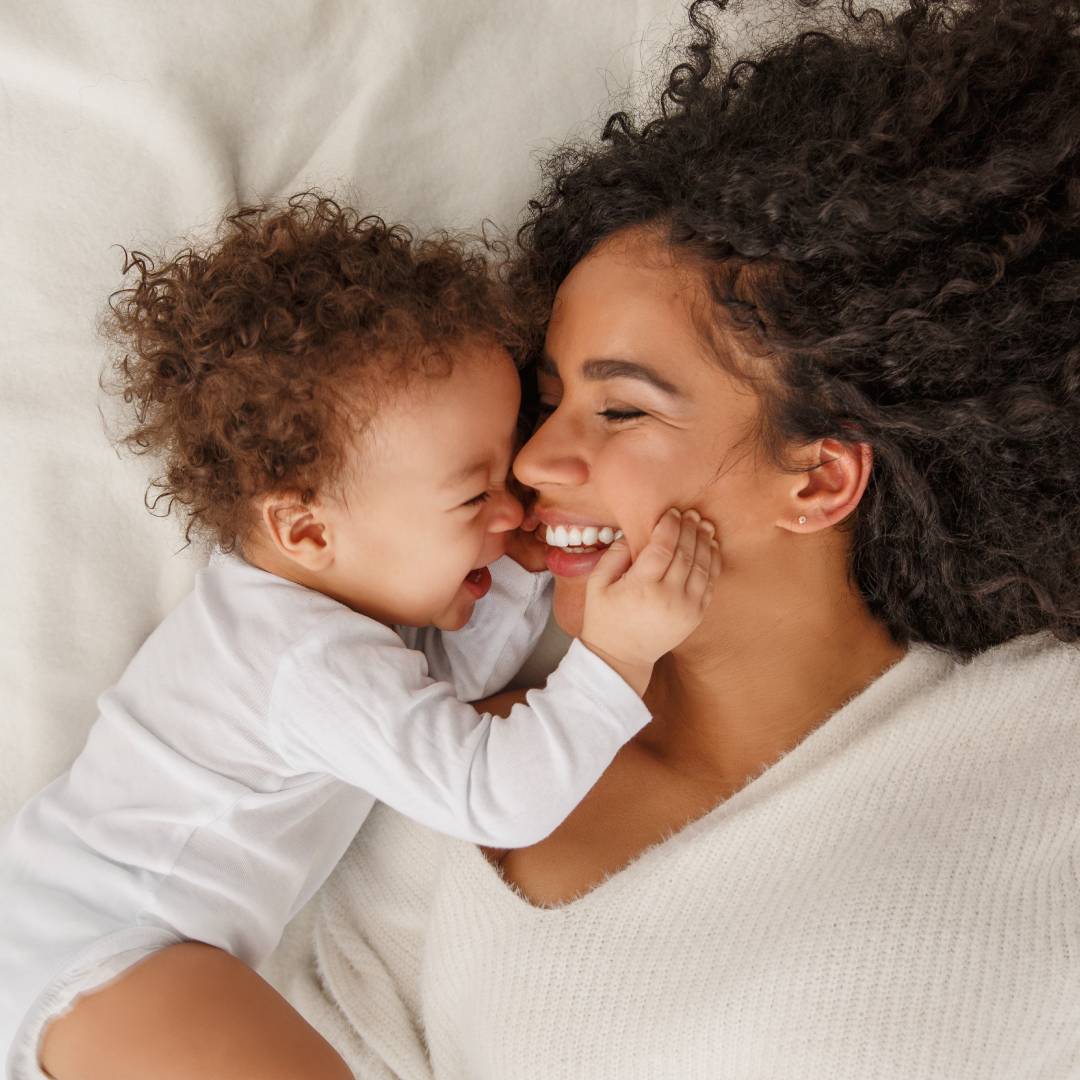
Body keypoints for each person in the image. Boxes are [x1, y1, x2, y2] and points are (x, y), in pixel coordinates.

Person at [250, 1, 1076, 1076]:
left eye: (621, 409)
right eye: (550, 402)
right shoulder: (447, 765)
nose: (536, 461)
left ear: (819, 477)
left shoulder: (1045, 740)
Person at [0, 195, 720, 1080]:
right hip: (107, 950)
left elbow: (443, 697)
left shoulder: (306, 614)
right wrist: (615, 659)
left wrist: (517, 568)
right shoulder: (304, 659)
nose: (513, 510)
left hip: (80, 944)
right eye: (475, 496)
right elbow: (489, 790)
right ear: (306, 529)